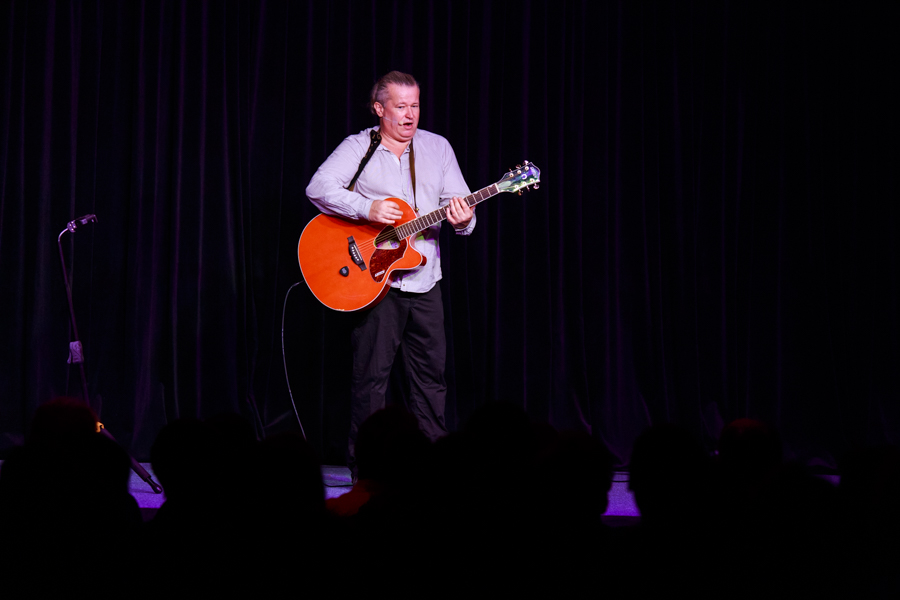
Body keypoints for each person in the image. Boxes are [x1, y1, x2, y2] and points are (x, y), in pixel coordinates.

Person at [306, 71, 475, 480]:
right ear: (379, 108)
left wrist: (464, 219)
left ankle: (435, 470)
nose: (409, 114)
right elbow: (318, 187)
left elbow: (460, 206)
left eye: (415, 105)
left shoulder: (438, 147)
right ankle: (367, 474)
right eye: (400, 106)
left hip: (425, 280)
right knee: (370, 382)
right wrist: (368, 208)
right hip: (376, 282)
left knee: (431, 380)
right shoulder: (358, 146)